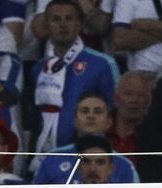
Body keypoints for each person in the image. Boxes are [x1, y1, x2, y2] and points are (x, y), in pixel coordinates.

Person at [30, 0, 118, 156]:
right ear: (47, 26)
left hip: (87, 156)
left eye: (69, 18)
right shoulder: (39, 68)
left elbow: (114, 114)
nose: (63, 24)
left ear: (79, 25)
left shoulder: (103, 64)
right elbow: (35, 119)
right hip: (44, 156)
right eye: (56, 19)